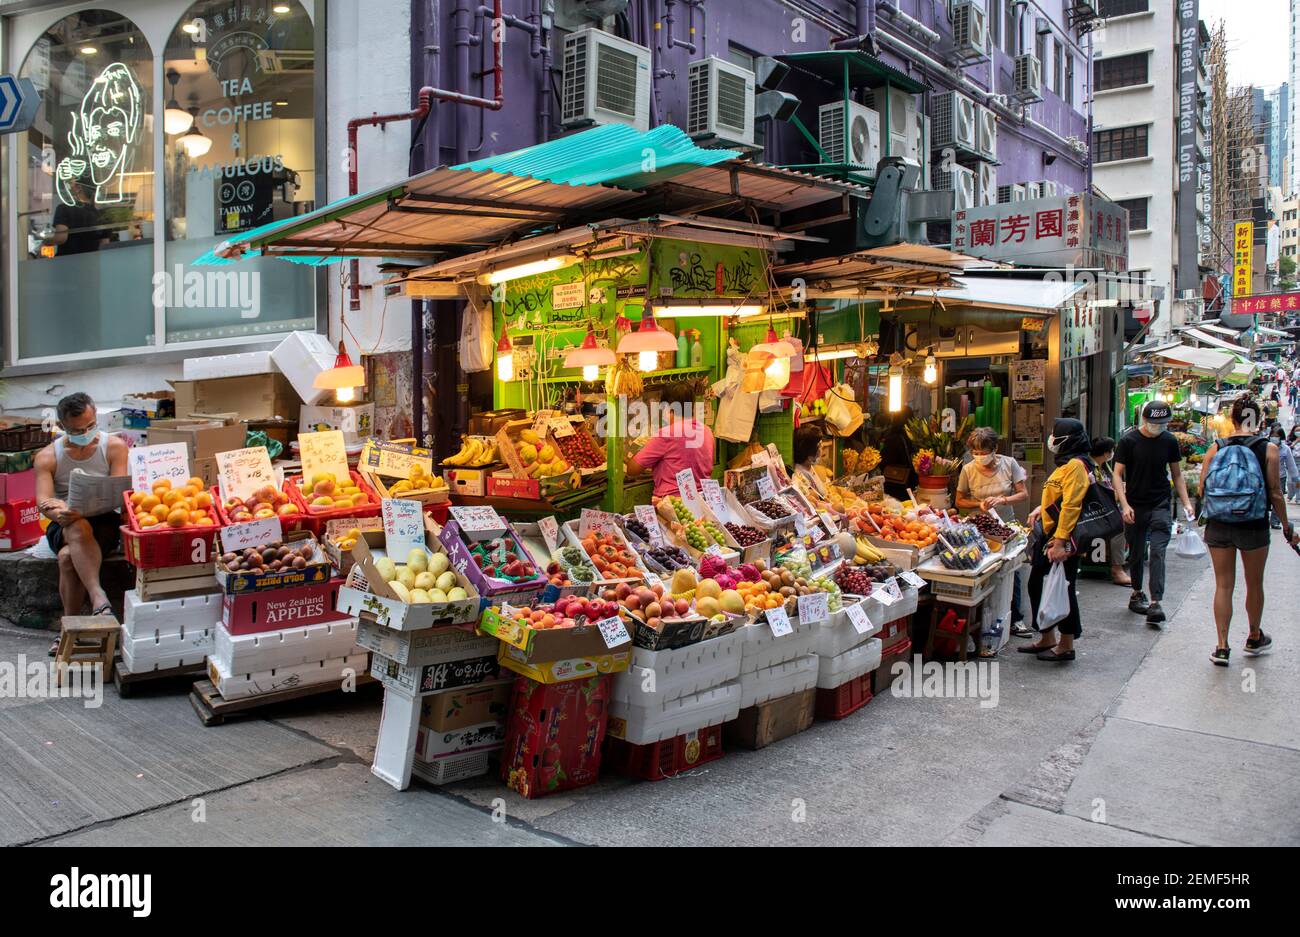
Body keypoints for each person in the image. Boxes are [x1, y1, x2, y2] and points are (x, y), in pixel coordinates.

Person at [1200, 396, 1298, 666]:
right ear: (1259, 421)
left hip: (1219, 525)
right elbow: (1276, 493)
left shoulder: (1215, 448)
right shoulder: (1269, 449)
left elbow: (1202, 489)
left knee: (1223, 584)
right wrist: (1287, 527)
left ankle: (1222, 647)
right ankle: (1254, 636)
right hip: (1253, 525)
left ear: (1232, 420)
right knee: (1254, 583)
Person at [35, 394, 130, 653]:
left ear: (95, 414)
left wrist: (84, 511)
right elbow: (43, 500)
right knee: (75, 524)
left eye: (90, 426)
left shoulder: (114, 446)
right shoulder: (47, 456)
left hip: (103, 521)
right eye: (76, 430)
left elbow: (118, 492)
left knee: (67, 558)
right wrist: (59, 513)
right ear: (62, 426)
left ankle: (67, 630)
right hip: (64, 524)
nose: (85, 433)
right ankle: (99, 598)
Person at [1112, 401, 1196, 628]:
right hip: (1136, 504)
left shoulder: (1169, 441)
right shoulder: (1129, 441)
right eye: (1153, 423)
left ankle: (1156, 601)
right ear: (1144, 421)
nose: (1157, 427)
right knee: (1137, 553)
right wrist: (1125, 504)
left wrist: (1186, 502)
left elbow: (1177, 474)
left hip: (1160, 503)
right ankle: (1137, 593)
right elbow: (1117, 475)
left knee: (1158, 551)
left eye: (1162, 423)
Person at [1021, 418, 1093, 663]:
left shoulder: (1075, 464)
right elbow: (1060, 496)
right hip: (1051, 535)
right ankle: (1047, 636)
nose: (1051, 438)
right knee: (1038, 585)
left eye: (1054, 434)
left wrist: (1061, 541)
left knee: (1062, 588)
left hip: (1062, 538)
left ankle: (1066, 643)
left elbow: (1072, 504)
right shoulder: (1066, 464)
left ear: (1067, 439)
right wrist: (1041, 509)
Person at [955, 427, 1030, 636]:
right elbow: (959, 500)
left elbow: (1023, 494)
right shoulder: (968, 469)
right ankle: (985, 619)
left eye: (983, 452)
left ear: (994, 449)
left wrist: (1003, 499)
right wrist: (978, 505)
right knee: (984, 572)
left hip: (1005, 526)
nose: (979, 457)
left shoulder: (1009, 464)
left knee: (1010, 570)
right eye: (975, 453)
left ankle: (1016, 618)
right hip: (979, 528)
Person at [625, 380, 715, 499]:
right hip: (705, 500)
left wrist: (630, 454)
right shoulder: (707, 431)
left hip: (674, 504)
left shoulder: (666, 434)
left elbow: (632, 469)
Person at [1088, 436, 1132, 587]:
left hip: (1106, 508)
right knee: (1119, 526)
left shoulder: (1104, 466)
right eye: (1112, 451)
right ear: (1106, 453)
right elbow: (1096, 494)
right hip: (1094, 512)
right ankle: (1117, 568)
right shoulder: (1090, 469)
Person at [879, 408, 916, 501]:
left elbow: (883, 460)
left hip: (891, 484)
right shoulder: (909, 437)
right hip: (905, 484)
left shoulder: (891, 437)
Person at [790, 424, 831, 506]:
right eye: (819, 446)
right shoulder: (800, 476)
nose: (822, 447)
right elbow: (815, 500)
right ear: (809, 456)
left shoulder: (808, 466)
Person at [1268, 425, 1299, 522]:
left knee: (1278, 499)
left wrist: (1296, 478)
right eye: (1272, 436)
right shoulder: (1265, 447)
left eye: (1276, 436)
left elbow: (1291, 465)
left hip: (1280, 477)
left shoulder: (1285, 449)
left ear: (1281, 437)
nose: (1274, 438)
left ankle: (1275, 521)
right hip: (1266, 476)